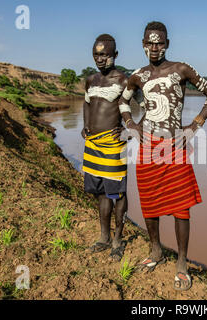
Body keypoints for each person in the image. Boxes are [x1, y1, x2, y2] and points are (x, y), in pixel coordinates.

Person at [117, 21, 207, 290]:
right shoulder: (138, 75)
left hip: (174, 145)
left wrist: (194, 126)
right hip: (148, 145)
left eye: (159, 42)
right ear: (143, 45)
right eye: (150, 43)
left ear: (167, 44)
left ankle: (182, 263)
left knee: (180, 206)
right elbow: (123, 101)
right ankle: (156, 252)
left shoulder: (181, 69)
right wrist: (130, 124)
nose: (154, 47)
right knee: (149, 201)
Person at [82, 34, 129, 261]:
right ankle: (104, 238)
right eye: (96, 54)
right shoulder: (91, 80)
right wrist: (84, 125)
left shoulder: (123, 81)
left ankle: (118, 241)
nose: (100, 59)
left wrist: (129, 130)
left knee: (116, 192)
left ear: (115, 55)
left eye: (104, 54)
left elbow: (143, 108)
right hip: (92, 144)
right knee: (101, 192)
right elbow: (86, 103)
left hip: (113, 145)